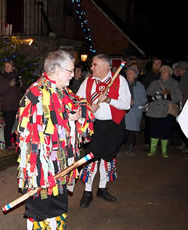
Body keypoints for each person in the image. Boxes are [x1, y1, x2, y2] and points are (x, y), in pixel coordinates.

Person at [16, 50, 94, 229]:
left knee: (58, 209)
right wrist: (41, 171)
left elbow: (80, 104)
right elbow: (26, 133)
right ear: (57, 70)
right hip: (41, 169)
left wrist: (78, 114)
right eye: (70, 71)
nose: (73, 75)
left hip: (61, 166)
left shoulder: (62, 91)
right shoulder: (35, 93)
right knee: (40, 211)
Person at [76, 54, 131, 208]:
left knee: (108, 158)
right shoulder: (88, 81)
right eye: (92, 65)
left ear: (106, 66)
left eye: (95, 65)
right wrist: (88, 107)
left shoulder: (120, 80)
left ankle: (102, 189)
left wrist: (108, 100)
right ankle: (87, 192)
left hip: (115, 125)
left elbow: (126, 104)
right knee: (92, 158)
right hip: (95, 126)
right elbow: (78, 100)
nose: (91, 67)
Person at [146, 65, 182, 158]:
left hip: (167, 111)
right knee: (154, 130)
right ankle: (152, 150)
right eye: (162, 72)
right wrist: (154, 97)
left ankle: (164, 151)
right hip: (154, 111)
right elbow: (148, 94)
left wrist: (167, 96)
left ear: (169, 73)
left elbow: (178, 96)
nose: (163, 74)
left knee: (165, 131)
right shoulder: (154, 83)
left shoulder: (174, 83)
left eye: (165, 72)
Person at [0, 60, 26, 151]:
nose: (6, 68)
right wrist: (9, 85)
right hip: (7, 106)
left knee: (17, 125)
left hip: (16, 105)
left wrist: (21, 84)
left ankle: (15, 141)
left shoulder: (18, 77)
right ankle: (8, 143)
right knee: (9, 125)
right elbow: (0, 91)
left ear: (13, 67)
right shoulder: (2, 78)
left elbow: (24, 89)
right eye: (5, 66)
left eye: (8, 66)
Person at [124, 67, 147, 156]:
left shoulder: (140, 86)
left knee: (132, 132)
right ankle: (120, 148)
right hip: (124, 111)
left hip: (134, 111)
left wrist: (134, 102)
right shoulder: (123, 84)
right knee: (123, 130)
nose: (128, 75)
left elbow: (144, 99)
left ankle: (130, 148)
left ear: (135, 75)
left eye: (130, 73)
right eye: (127, 73)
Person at [141, 57, 162, 150]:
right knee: (149, 124)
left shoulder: (163, 75)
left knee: (159, 123)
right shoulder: (148, 75)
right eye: (155, 63)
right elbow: (144, 90)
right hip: (150, 103)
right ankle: (148, 143)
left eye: (158, 64)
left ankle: (158, 142)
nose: (156, 65)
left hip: (161, 104)